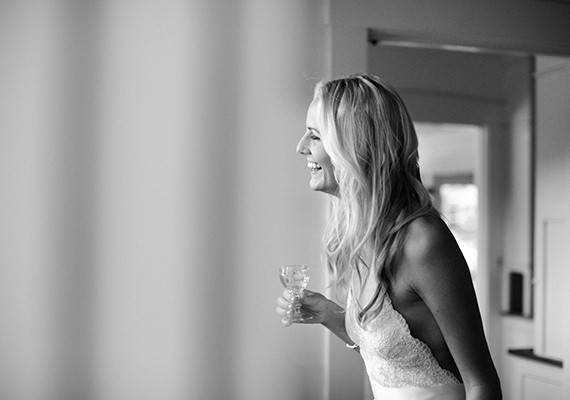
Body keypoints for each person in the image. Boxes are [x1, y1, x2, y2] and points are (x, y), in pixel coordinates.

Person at [276, 74, 501, 400]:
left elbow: (482, 385)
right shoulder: (363, 237)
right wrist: (327, 313)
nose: (300, 147)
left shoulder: (423, 242)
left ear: (353, 146)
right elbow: (391, 362)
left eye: (315, 136)